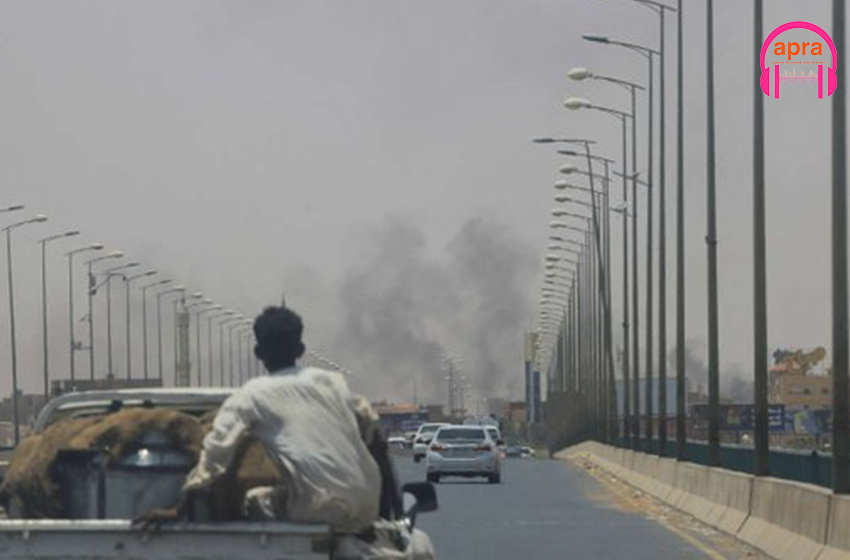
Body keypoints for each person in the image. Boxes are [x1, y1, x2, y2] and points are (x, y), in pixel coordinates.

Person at [139, 305, 391, 533]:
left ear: (258, 352)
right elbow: (374, 433)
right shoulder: (333, 382)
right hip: (369, 506)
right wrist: (387, 510)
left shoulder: (252, 394)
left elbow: (216, 454)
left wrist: (179, 509)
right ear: (301, 349)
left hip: (318, 508)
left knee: (254, 499)